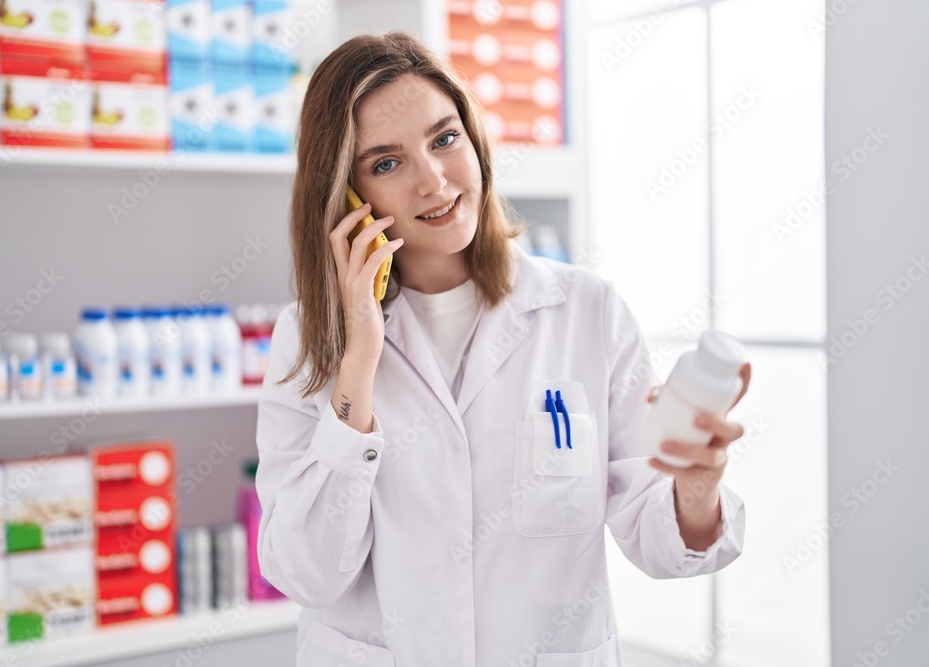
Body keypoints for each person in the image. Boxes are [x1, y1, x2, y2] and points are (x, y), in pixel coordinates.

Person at [255, 31, 751, 667]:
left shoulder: (585, 311)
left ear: (474, 138)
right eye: (386, 163)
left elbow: (657, 542)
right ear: (345, 198)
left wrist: (697, 490)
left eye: (444, 138)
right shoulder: (308, 339)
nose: (433, 181)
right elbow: (307, 575)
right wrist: (358, 362)